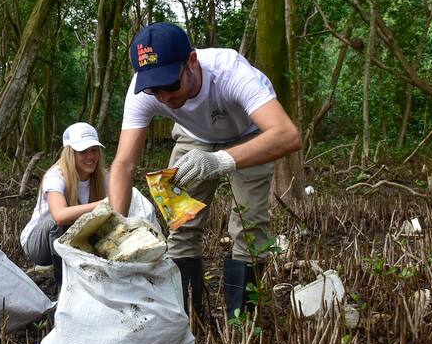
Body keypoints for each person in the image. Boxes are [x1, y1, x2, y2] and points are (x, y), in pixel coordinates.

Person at [108, 22, 302, 317]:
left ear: (192, 62)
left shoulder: (230, 72)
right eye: (154, 89)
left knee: (249, 228)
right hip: (193, 136)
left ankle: (242, 321)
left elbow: (287, 135)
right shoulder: (144, 91)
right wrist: (115, 226)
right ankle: (189, 317)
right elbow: (123, 163)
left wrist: (219, 161)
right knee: (180, 224)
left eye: (170, 84)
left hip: (250, 135)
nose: (163, 98)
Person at [20, 122, 107, 292]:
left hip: (76, 239)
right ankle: (64, 289)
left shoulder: (102, 176)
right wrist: (103, 204)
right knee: (59, 221)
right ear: (70, 153)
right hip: (39, 245)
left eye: (94, 150)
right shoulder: (56, 176)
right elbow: (59, 215)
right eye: (82, 151)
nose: (90, 156)